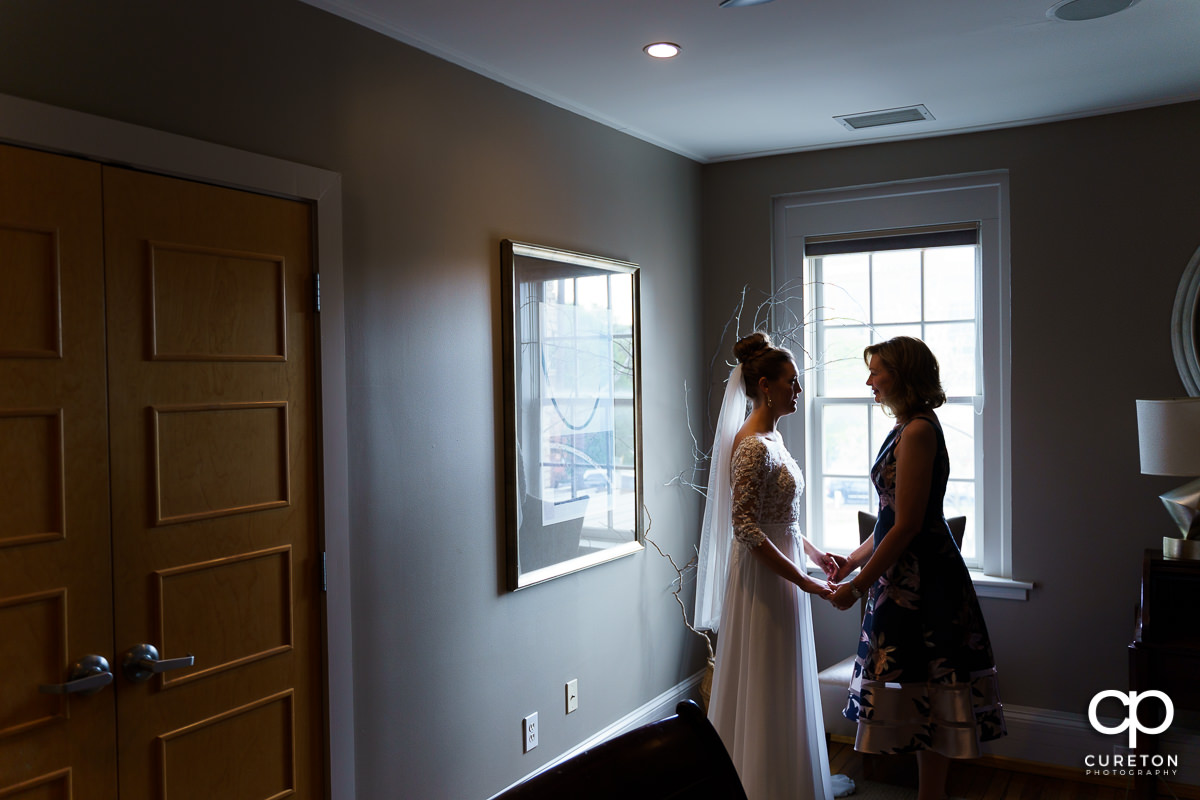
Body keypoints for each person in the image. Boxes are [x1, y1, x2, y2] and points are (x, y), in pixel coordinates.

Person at [827, 336, 1006, 800]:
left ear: (903, 374)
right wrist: (851, 559)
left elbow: (907, 526)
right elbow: (889, 517)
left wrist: (858, 585)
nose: (870, 380)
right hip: (903, 576)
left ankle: (932, 795)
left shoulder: (920, 430)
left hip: (922, 581)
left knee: (932, 686)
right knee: (923, 689)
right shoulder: (905, 427)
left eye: (878, 371)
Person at [694, 332, 852, 800]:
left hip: (783, 570)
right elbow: (745, 527)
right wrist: (802, 578)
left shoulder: (773, 437)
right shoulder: (750, 447)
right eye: (793, 383)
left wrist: (816, 555)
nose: (798, 391)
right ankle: (761, 783)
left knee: (786, 674)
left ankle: (793, 777)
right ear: (766, 385)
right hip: (762, 581)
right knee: (765, 674)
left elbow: (780, 518)